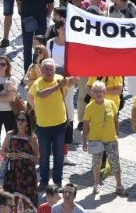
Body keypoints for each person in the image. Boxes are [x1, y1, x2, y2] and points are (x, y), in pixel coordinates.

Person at [28, 59, 76, 189]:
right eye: (46, 69)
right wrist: (36, 107)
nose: (49, 72)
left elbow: (71, 82)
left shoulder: (60, 78)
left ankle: (57, 182)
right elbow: (39, 94)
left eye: (51, 69)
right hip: (43, 126)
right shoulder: (39, 82)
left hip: (60, 124)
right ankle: (44, 181)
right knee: (44, 156)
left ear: (55, 70)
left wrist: (76, 73)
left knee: (58, 155)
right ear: (41, 71)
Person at [83, 81, 124, 196]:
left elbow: (116, 119)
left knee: (115, 161)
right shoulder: (89, 107)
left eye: (100, 91)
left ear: (104, 92)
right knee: (96, 163)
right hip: (95, 139)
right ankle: (96, 184)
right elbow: (86, 125)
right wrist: (84, 141)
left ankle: (119, 185)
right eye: (95, 91)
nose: (98, 93)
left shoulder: (111, 103)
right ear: (92, 93)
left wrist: (117, 132)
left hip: (111, 138)